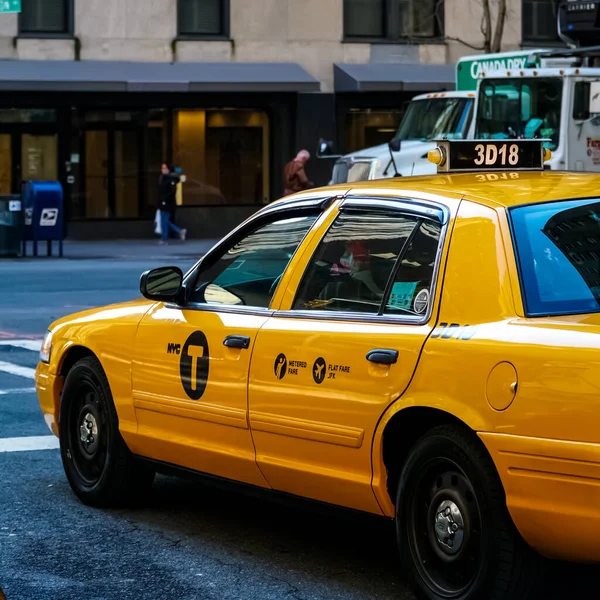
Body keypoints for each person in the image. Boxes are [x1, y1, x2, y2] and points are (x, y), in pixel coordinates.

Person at [158, 162, 186, 245]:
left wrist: (164, 200)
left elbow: (171, 192)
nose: (162, 170)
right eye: (162, 168)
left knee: (164, 220)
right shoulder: (163, 178)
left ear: (168, 169)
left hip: (168, 203)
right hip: (163, 202)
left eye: (164, 168)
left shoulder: (171, 179)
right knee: (164, 220)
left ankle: (164, 238)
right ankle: (179, 231)